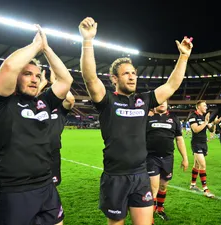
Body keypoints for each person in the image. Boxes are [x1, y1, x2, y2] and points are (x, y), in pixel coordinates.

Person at [78, 17, 193, 225]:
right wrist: (87, 41)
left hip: (140, 175)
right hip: (115, 176)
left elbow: (171, 86)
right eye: (125, 74)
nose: (132, 77)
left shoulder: (144, 100)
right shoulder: (107, 100)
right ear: (114, 78)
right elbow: (90, 78)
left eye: (133, 73)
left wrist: (183, 58)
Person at [0, 25, 73, 225]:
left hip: (46, 186)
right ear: (16, 77)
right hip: (14, 191)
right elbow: (9, 67)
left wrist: (47, 49)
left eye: (37, 76)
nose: (34, 79)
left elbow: (66, 80)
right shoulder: (0, 103)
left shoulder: (43, 102)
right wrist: (36, 45)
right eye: (27, 74)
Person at [146, 100, 188, 221]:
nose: (162, 103)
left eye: (164, 101)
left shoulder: (174, 118)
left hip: (168, 158)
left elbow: (179, 139)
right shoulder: (147, 117)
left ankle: (160, 209)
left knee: (163, 186)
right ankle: (150, 217)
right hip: (151, 157)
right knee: (153, 188)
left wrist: (185, 158)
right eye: (159, 101)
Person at [38, 68, 75, 186]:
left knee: (53, 183)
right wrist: (43, 83)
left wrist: (55, 81)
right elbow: (28, 98)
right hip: (36, 151)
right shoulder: (36, 105)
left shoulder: (60, 109)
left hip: (54, 151)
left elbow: (70, 99)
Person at [189, 100, 215, 198]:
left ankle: (192, 184)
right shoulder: (193, 116)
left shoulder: (203, 117)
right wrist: (205, 122)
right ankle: (205, 189)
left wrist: (212, 124)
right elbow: (195, 130)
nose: (206, 107)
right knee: (202, 165)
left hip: (204, 143)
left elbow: (211, 129)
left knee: (196, 164)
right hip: (196, 144)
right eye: (204, 105)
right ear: (198, 107)